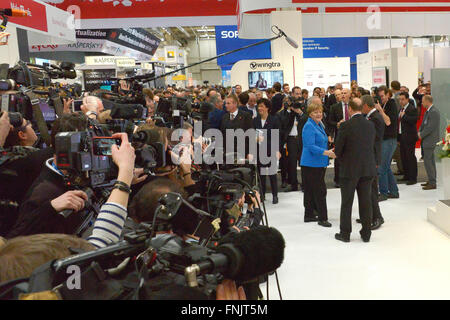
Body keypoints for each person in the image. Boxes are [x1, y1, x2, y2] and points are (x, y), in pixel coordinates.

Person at [335, 99, 376, 243]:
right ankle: (366, 234)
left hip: (349, 170)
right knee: (365, 202)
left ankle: (345, 233)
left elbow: (338, 149)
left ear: (349, 109)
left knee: (347, 202)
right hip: (367, 168)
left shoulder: (346, 126)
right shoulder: (370, 125)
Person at [301, 102, 336, 226]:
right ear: (310, 114)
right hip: (311, 163)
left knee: (311, 190)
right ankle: (322, 218)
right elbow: (310, 146)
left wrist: (328, 151)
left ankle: (309, 215)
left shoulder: (318, 124)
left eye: (320, 112)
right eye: (315, 112)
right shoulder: (309, 126)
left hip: (317, 163)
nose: (318, 114)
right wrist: (326, 152)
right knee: (320, 191)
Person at [361, 95, 385, 230]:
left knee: (372, 189)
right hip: (369, 157)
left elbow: (374, 140)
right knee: (369, 189)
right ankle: (370, 215)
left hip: (372, 158)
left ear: (365, 105)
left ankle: (377, 217)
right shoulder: (372, 117)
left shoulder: (375, 118)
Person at [253, 98, 281, 204]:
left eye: (262, 106)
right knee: (261, 175)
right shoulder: (255, 120)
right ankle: (262, 195)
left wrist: (277, 150)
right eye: (258, 106)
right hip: (259, 151)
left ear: (267, 108)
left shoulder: (274, 120)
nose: (259, 108)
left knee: (272, 174)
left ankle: (275, 195)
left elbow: (277, 136)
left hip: (271, 150)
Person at [376, 86, 399, 201]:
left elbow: (388, 122)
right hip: (385, 140)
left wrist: (380, 110)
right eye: (379, 96)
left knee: (382, 168)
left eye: (382, 96)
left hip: (389, 140)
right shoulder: (385, 104)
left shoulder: (391, 104)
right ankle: (394, 191)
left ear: (388, 94)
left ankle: (384, 193)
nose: (381, 99)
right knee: (386, 167)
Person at [220, 94, 254, 160]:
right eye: (225, 103)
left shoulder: (246, 116)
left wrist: (250, 152)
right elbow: (222, 135)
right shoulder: (224, 117)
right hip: (228, 153)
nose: (225, 105)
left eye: (228, 103)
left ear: (235, 104)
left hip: (242, 152)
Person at [328, 88, 350, 187]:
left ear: (349, 94)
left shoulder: (353, 106)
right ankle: (337, 180)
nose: (343, 95)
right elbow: (329, 121)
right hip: (339, 135)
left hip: (352, 136)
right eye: (341, 93)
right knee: (338, 157)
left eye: (345, 93)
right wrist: (337, 124)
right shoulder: (334, 107)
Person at [419, 95, 440, 190]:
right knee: (429, 161)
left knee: (428, 161)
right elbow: (424, 124)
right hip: (426, 140)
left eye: (423, 101)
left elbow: (430, 127)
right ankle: (431, 180)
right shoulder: (429, 112)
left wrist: (421, 134)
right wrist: (420, 132)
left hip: (430, 140)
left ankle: (432, 182)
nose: (422, 103)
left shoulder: (434, 112)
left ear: (428, 101)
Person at [397, 92, 418, 185]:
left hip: (410, 137)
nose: (401, 101)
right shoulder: (400, 109)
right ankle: (406, 175)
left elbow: (414, 120)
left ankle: (413, 178)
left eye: (402, 99)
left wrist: (404, 116)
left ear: (407, 99)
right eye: (399, 99)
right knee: (403, 157)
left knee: (410, 157)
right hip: (402, 136)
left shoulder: (411, 108)